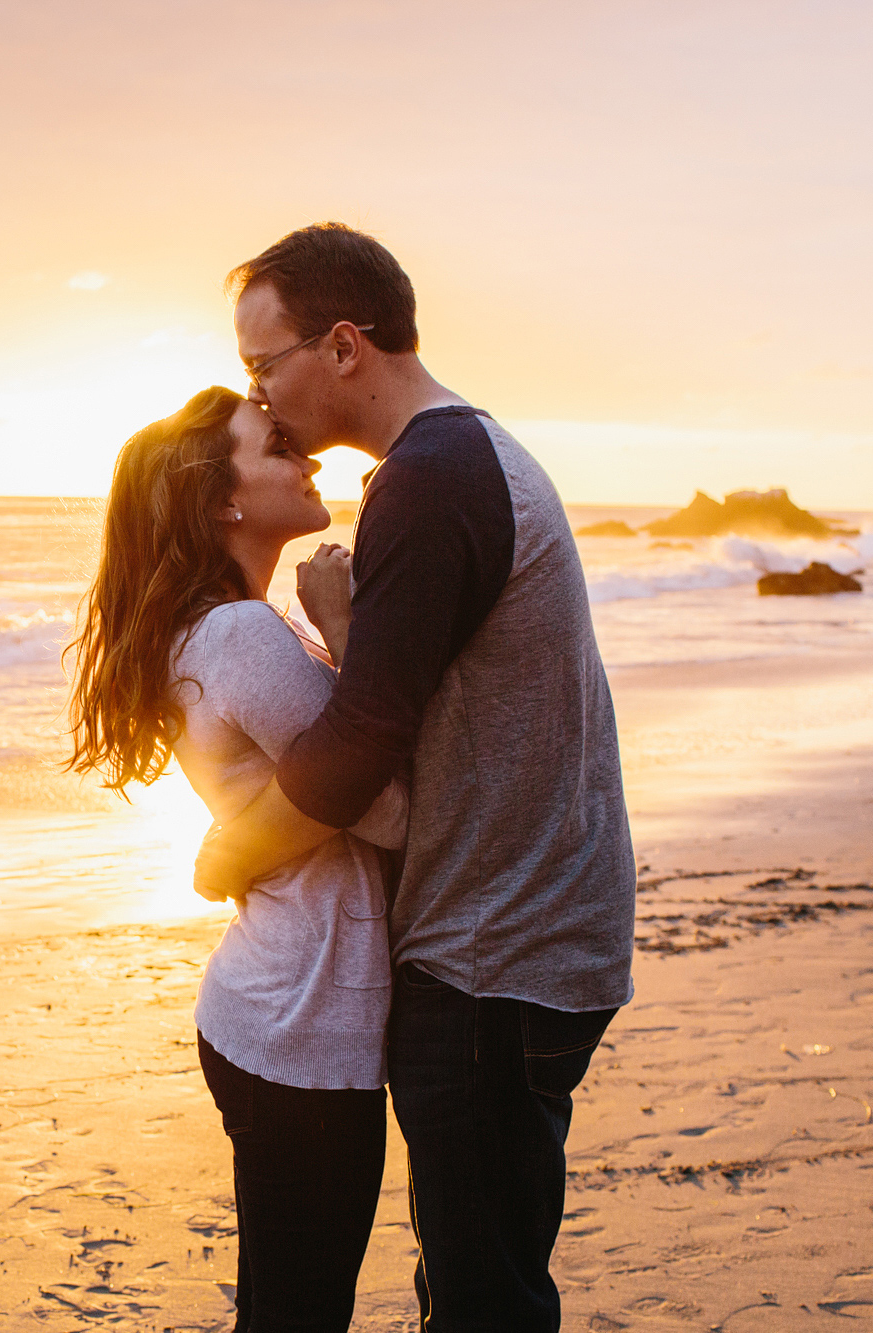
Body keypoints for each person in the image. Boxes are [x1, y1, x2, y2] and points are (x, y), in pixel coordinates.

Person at [193, 223, 636, 1331]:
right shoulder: (463, 456)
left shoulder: (427, 480)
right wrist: (347, 629)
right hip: (532, 931)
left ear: (341, 347)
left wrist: (225, 854)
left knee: (483, 1297)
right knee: (476, 1275)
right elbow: (409, 710)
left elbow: (354, 756)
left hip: (493, 950)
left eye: (263, 365)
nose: (259, 393)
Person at [67, 385, 409, 1331]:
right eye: (275, 447)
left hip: (275, 1013)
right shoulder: (243, 632)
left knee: (279, 1306)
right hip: (303, 1025)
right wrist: (346, 629)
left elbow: (322, 787)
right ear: (223, 500)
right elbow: (389, 813)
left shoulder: (222, 625)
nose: (308, 458)